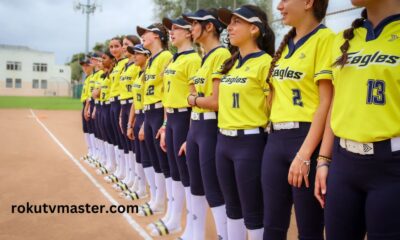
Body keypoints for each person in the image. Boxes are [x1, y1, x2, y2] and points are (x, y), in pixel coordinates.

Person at [314, 1, 400, 239]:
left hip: (392, 168)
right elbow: (335, 103)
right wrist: (323, 160)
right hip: (343, 165)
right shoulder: (341, 39)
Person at [261, 0, 333, 239]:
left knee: (309, 230)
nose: (279, 6)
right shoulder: (286, 46)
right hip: (275, 140)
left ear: (308, 2)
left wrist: (303, 155)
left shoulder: (325, 39)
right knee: (272, 225)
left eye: (285, 0)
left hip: (305, 141)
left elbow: (326, 102)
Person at [216, 5, 274, 240]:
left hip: (250, 144)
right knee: (232, 207)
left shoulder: (266, 62)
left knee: (253, 210)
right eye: (229, 23)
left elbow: (273, 109)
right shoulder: (231, 63)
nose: (229, 27)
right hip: (223, 141)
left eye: (236, 22)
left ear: (254, 29)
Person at [147, 17, 201, 237]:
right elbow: (168, 95)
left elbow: (196, 96)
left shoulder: (193, 59)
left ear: (189, 33)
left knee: (186, 175)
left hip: (185, 118)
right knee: (173, 172)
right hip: (172, 119)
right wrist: (165, 124)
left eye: (176, 28)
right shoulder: (175, 59)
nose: (171, 31)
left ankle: (190, 225)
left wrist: (190, 133)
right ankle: (173, 217)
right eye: (170, 28)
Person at [181, 8, 230, 240]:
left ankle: (222, 235)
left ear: (209, 26)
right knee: (196, 185)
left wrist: (194, 100)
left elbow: (216, 102)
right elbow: (197, 98)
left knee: (213, 189)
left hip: (210, 127)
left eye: (194, 23)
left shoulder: (221, 54)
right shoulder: (205, 58)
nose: (191, 28)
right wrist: (189, 136)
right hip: (197, 128)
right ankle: (195, 234)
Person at [136, 23, 173, 216]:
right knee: (154, 160)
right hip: (148, 113)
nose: (142, 36)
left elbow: (167, 91)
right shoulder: (151, 60)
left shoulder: (166, 56)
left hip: (159, 112)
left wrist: (165, 122)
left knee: (163, 162)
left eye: (145, 33)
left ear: (157, 36)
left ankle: (165, 205)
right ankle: (156, 200)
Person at [113, 35, 141, 192]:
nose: (124, 47)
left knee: (134, 146)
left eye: (127, 44)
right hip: (123, 106)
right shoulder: (126, 65)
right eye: (123, 44)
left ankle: (138, 182)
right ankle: (131, 177)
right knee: (126, 145)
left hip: (132, 104)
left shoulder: (136, 65)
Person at [125, 44, 152, 201]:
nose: (134, 56)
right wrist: (130, 123)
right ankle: (141, 188)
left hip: (146, 116)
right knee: (139, 155)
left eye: (138, 54)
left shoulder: (147, 74)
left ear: (147, 56)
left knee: (147, 157)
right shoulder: (139, 75)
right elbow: (135, 102)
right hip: (139, 116)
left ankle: (147, 192)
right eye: (134, 54)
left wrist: (142, 124)